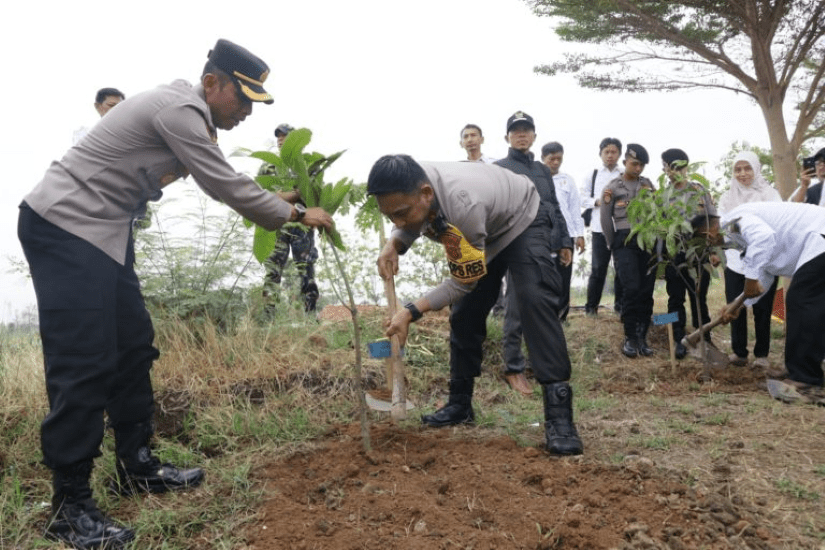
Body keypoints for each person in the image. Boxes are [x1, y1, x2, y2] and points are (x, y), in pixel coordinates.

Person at [18, 39, 334, 550]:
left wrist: (283, 197)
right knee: (85, 360)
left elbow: (226, 177)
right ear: (213, 83)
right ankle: (69, 507)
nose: (248, 113)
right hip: (67, 225)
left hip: (103, 232)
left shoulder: (191, 115)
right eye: (244, 99)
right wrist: (297, 215)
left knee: (133, 345)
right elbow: (224, 184)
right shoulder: (181, 109)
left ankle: (136, 466)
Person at [368, 154, 582, 456]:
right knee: (466, 312)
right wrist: (394, 243)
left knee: (534, 301)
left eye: (401, 213)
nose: (398, 222)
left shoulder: (463, 205)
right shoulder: (411, 183)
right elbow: (407, 218)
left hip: (522, 217)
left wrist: (411, 311)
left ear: (426, 193)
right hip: (485, 224)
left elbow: (462, 282)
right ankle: (459, 403)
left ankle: (560, 419)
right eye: (390, 217)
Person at [702, 203, 825, 404]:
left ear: (711, 228)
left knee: (801, 301)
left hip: (820, 236)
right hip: (817, 241)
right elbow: (765, 274)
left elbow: (764, 238)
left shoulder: (737, 220)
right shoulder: (737, 238)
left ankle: (805, 379)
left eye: (707, 238)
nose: (710, 243)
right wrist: (738, 305)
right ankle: (800, 367)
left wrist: (750, 280)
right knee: (806, 303)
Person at [494, 112, 573, 397]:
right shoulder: (500, 168)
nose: (522, 135)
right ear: (507, 138)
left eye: (526, 130)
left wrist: (564, 241)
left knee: (544, 304)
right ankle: (513, 369)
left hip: (544, 244)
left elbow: (553, 206)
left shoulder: (542, 170)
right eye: (516, 131)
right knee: (516, 306)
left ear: (534, 137)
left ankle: (541, 367)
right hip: (515, 244)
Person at [718, 151, 781, 369]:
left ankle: (762, 355)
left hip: (765, 260)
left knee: (763, 307)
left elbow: (776, 226)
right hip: (736, 260)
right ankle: (739, 353)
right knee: (736, 306)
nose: (742, 173)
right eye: (738, 169)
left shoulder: (770, 195)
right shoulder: (727, 198)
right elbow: (723, 228)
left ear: (756, 169)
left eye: (747, 168)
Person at [660, 149, 717, 359]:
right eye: (669, 167)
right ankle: (677, 339)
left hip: (699, 252)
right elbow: (659, 229)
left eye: (679, 167)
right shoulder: (662, 196)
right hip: (675, 255)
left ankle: (704, 338)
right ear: (665, 169)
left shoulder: (699, 190)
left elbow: (712, 221)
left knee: (699, 298)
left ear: (686, 167)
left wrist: (713, 251)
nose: (674, 171)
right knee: (675, 299)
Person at [601, 144, 657, 358]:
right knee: (631, 288)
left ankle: (643, 337)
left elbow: (656, 211)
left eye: (642, 165)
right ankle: (630, 336)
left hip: (647, 241)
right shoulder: (612, 187)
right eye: (634, 163)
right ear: (625, 162)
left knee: (646, 289)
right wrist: (612, 243)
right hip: (624, 241)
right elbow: (605, 218)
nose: (638, 168)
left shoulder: (648, 185)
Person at [262, 123, 320, 313]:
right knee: (272, 272)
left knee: (306, 271)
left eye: (285, 136)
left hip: (301, 226)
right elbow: (263, 197)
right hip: (276, 226)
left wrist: (283, 195)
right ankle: (268, 319)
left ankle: (311, 316)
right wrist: (295, 193)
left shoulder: (306, 166)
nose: (280, 139)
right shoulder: (268, 166)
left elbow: (312, 194)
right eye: (278, 136)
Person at [542, 141, 586, 321]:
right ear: (543, 158)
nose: (555, 162)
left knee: (563, 276)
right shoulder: (536, 179)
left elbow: (574, 209)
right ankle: (545, 316)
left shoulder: (567, 180)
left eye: (559, 159)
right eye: (551, 158)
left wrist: (579, 235)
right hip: (543, 234)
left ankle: (562, 317)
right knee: (544, 277)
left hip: (565, 236)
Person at [582, 138, 624, 316]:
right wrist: (598, 201)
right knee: (598, 269)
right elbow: (582, 198)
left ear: (619, 154)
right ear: (600, 153)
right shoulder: (592, 175)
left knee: (622, 269)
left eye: (613, 152)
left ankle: (620, 306)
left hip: (621, 228)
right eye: (606, 152)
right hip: (599, 229)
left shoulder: (624, 174)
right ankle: (591, 307)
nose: (610, 155)